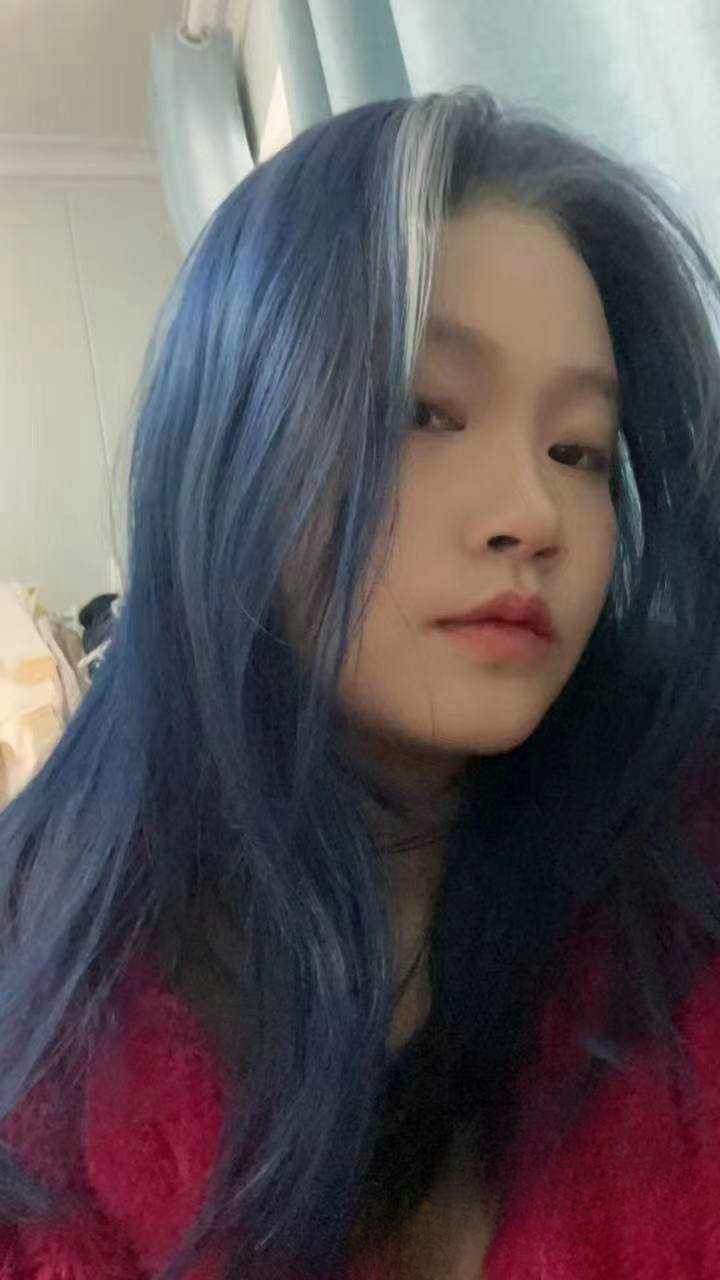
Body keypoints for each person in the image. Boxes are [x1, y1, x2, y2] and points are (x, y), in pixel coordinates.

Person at [0, 87, 719, 1280]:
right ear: (230, 439)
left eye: (578, 450)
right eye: (425, 411)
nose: (533, 512)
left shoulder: (679, 879)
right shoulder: (45, 1007)